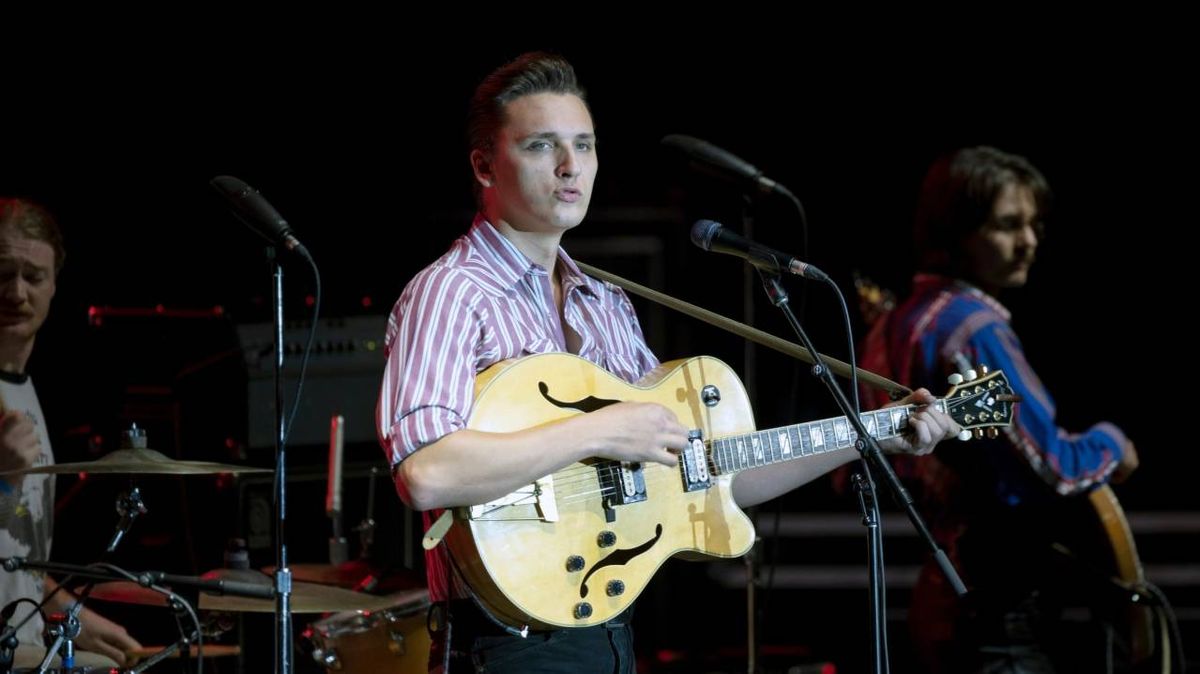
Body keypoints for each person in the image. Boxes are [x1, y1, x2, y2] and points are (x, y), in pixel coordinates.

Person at [376, 52, 960, 673]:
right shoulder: (450, 292)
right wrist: (598, 430)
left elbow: (709, 471)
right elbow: (426, 473)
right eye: (542, 147)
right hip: (500, 647)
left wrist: (875, 433)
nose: (571, 167)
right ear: (484, 165)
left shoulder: (606, 305)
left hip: (608, 631)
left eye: (585, 145)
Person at [858, 146, 1140, 672]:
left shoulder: (901, 321)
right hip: (997, 603)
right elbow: (1053, 464)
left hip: (939, 587)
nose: (1029, 242)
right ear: (956, 233)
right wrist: (1113, 442)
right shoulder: (973, 328)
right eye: (1008, 226)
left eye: (1033, 225)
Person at [0, 197, 143, 669]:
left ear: (56, 283)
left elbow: (17, 557)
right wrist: (2, 480)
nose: (17, 293)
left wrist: (73, 613)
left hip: (26, 644)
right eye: (2, 274)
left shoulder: (24, 390)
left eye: (33, 277)